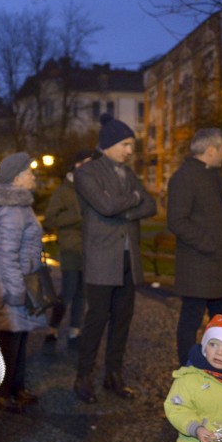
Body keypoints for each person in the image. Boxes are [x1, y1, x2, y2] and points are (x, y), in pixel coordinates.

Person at [73, 113, 157, 403]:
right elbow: (106, 206)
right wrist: (132, 200)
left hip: (128, 259)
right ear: (109, 144)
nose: (130, 151)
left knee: (123, 320)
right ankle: (83, 377)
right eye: (126, 144)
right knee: (96, 320)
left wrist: (126, 208)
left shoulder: (128, 173)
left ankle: (113, 375)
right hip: (101, 259)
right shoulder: (87, 173)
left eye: (131, 144)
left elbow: (151, 205)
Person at [168, 128, 222, 367]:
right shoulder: (185, 177)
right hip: (198, 265)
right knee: (191, 321)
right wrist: (209, 244)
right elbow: (177, 221)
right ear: (211, 149)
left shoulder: (210, 174)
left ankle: (221, 369)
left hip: (218, 267)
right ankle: (187, 370)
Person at [0, 152, 43, 413]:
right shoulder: (12, 210)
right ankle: (2, 392)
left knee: (19, 338)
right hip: (10, 283)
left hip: (18, 280)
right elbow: (6, 254)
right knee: (8, 341)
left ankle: (17, 388)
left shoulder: (20, 206)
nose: (33, 176)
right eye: (29, 172)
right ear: (17, 178)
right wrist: (17, 291)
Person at [43, 150, 94, 349]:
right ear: (76, 166)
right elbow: (50, 219)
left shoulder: (88, 188)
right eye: (85, 164)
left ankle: (75, 330)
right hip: (70, 248)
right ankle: (53, 328)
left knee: (82, 292)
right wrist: (77, 219)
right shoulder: (63, 191)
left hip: (88, 249)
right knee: (68, 291)